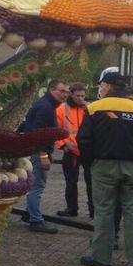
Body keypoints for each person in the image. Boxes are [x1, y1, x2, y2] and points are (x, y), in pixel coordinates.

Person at [77, 72, 133, 266]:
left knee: (104, 211)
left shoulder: (94, 108)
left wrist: (90, 163)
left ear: (108, 86)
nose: (100, 89)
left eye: (101, 85)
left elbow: (83, 140)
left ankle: (101, 257)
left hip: (104, 165)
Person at [21, 78, 67, 233]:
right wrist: (43, 155)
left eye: (66, 92)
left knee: (35, 184)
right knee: (37, 186)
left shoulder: (46, 105)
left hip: (38, 151)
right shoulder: (46, 107)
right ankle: (35, 220)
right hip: (38, 152)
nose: (65, 95)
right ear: (51, 89)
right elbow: (38, 133)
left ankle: (29, 214)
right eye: (62, 91)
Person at [54, 82, 91, 218]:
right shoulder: (61, 109)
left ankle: (93, 210)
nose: (80, 98)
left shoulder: (89, 109)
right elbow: (57, 130)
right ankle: (71, 209)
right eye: (77, 96)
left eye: (82, 96)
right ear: (71, 94)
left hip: (88, 151)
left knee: (91, 182)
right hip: (70, 151)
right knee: (70, 182)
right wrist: (63, 146)